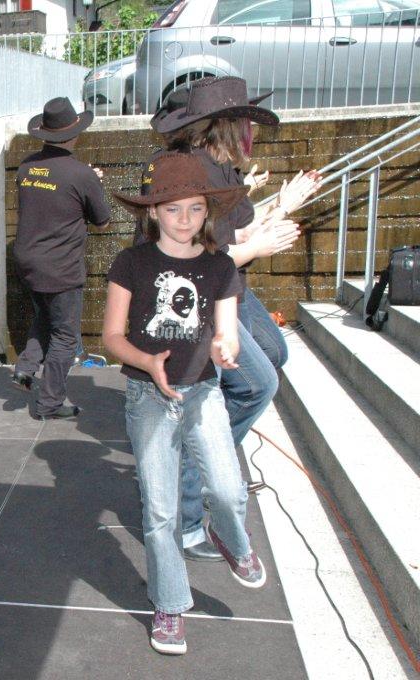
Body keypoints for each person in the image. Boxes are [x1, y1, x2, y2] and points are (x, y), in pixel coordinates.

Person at [145, 77, 322, 560]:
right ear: (226, 125)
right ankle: (194, 501)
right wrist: (258, 246)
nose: (252, 131)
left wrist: (282, 206)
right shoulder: (188, 172)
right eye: (246, 121)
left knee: (271, 355)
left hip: (225, 292)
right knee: (255, 386)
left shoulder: (219, 168)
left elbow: (235, 231)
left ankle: (207, 464)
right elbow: (194, 259)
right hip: (197, 303)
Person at [103, 152, 267, 656]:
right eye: (173, 209)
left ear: (207, 211)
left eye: (195, 209)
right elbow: (112, 337)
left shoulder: (220, 266)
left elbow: (225, 331)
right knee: (160, 510)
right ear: (153, 212)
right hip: (147, 396)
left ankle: (231, 539)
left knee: (228, 488)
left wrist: (226, 349)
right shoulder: (131, 263)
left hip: (203, 392)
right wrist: (147, 362)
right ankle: (170, 604)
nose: (184, 219)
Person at [11, 97, 111, 419]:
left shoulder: (26, 168)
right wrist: (93, 183)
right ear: (75, 133)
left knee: (45, 316)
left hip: (27, 262)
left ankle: (25, 368)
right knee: (65, 337)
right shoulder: (81, 174)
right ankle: (50, 403)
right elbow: (102, 221)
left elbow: (49, 196)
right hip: (60, 266)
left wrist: (86, 182)